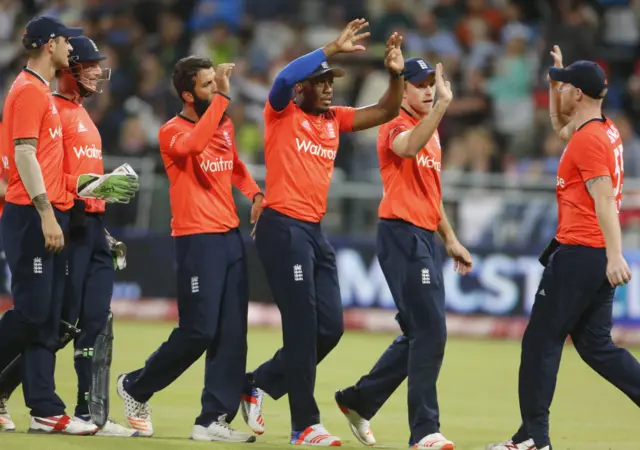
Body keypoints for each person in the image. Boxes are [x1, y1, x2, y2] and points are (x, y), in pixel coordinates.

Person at [240, 19, 406, 446]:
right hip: (282, 227)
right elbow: (281, 78)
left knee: (329, 328)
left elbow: (387, 111)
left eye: (331, 81)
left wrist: (395, 76)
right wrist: (331, 48)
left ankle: (254, 382)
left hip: (313, 231)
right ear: (302, 89)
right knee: (299, 327)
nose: (329, 87)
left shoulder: (334, 119)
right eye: (321, 81)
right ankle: (304, 425)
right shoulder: (281, 112)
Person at [487, 46, 640, 450]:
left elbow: (605, 198)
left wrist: (614, 254)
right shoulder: (603, 129)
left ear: (579, 94)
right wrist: (558, 84)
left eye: (566, 85)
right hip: (591, 254)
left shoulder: (589, 140)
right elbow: (560, 128)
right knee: (596, 346)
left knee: (540, 342)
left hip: (580, 253)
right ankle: (530, 435)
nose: (560, 89)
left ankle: (534, 438)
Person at [0, 16, 137, 434]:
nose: (95, 70)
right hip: (38, 216)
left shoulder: (54, 101)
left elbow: (52, 168)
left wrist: (100, 191)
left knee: (51, 318)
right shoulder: (33, 93)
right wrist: (47, 213)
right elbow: (22, 157)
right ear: (54, 49)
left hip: (64, 216)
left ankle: (57, 409)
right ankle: (43, 405)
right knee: (40, 315)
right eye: (84, 58)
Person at [116, 56, 264, 442]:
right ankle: (136, 385)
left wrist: (255, 193)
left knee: (232, 333)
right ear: (187, 94)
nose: (216, 91)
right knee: (198, 331)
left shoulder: (223, 123)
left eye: (216, 85)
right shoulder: (171, 131)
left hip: (230, 236)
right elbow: (197, 144)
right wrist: (223, 101)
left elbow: (233, 165)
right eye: (208, 86)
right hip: (196, 238)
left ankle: (212, 419)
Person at [334, 59, 472, 450]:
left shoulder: (432, 132)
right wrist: (444, 106)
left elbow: (432, 193)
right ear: (404, 90)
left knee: (419, 331)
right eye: (420, 85)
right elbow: (408, 149)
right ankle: (424, 431)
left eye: (433, 84)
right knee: (431, 331)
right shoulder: (396, 123)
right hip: (401, 234)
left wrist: (450, 238)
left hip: (424, 236)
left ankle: (359, 400)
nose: (428, 91)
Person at [52, 35, 137, 437]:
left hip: (94, 227)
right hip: (68, 226)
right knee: (60, 325)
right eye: (88, 65)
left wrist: (107, 187)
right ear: (68, 70)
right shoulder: (52, 111)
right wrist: (88, 185)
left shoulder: (84, 115)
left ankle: (91, 412)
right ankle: (5, 390)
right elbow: (48, 178)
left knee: (96, 322)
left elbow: (84, 181)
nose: (97, 71)